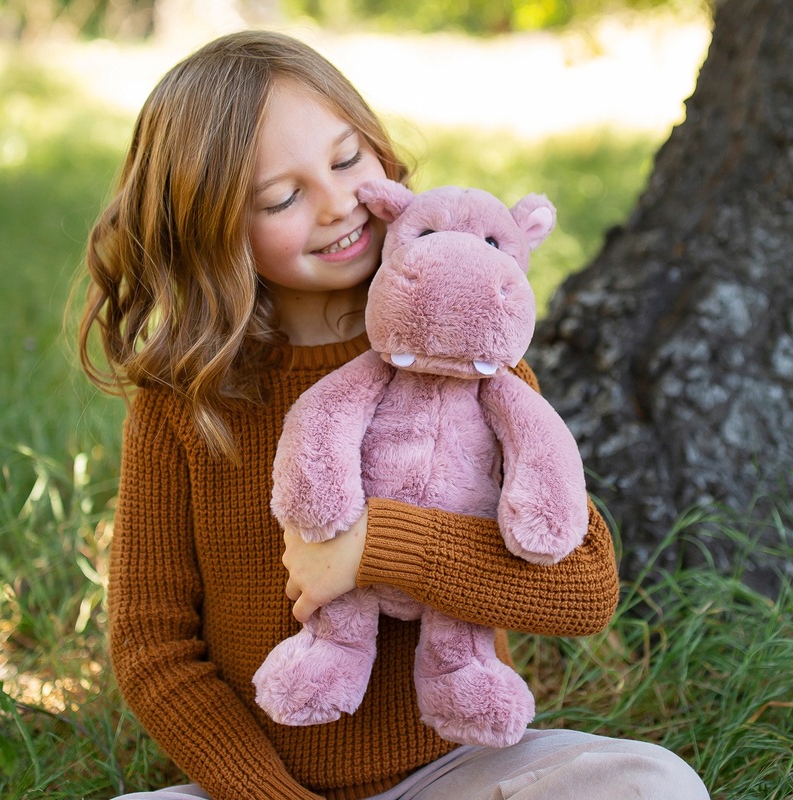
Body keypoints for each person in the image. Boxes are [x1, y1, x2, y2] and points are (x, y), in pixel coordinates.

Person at [77, 29, 710, 800]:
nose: (337, 203)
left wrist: (376, 547)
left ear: (379, 152)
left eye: (347, 160)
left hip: (454, 772)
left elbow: (580, 585)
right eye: (282, 196)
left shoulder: (464, 355)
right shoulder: (183, 401)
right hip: (256, 788)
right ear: (214, 230)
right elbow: (154, 646)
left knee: (654, 785)